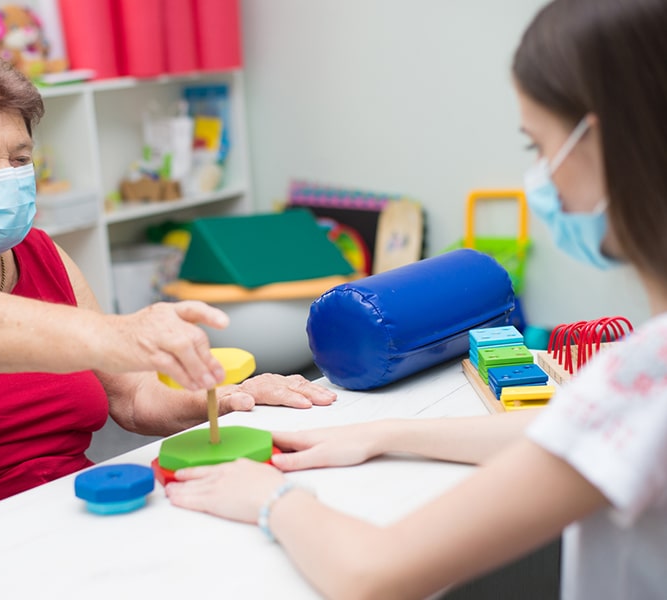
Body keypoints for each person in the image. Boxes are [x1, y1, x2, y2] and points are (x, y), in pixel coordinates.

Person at [165, 0, 667, 598]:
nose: (539, 176)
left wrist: (271, 499)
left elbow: (373, 573)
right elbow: (570, 430)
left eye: (538, 146)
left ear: (607, 140)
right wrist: (383, 433)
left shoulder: (647, 375)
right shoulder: (637, 387)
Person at [0, 51, 336, 591]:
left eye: (19, 158)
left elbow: (131, 398)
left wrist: (218, 400)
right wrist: (117, 334)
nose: (7, 178)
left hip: (62, 532)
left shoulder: (43, 254)